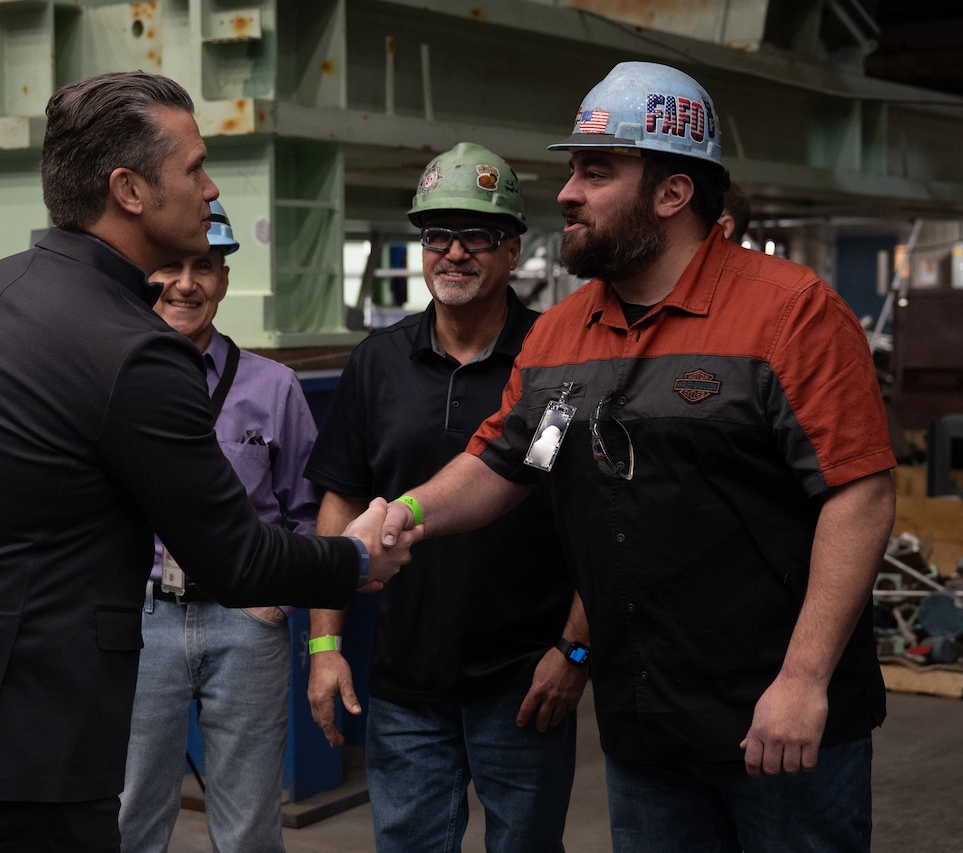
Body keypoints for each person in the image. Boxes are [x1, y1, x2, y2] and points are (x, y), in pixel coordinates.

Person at [0, 71, 419, 853]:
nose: (210, 188)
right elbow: (233, 556)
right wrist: (354, 559)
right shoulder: (135, 352)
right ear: (129, 189)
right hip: (34, 739)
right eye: (193, 168)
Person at [373, 62, 896, 852]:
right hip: (644, 725)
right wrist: (406, 514)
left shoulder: (790, 314)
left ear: (672, 192)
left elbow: (858, 493)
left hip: (777, 722)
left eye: (595, 171)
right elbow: (510, 463)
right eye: (573, 170)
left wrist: (803, 679)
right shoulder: (561, 337)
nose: (566, 193)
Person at [304, 142, 588, 853]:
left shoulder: (556, 363)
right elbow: (340, 506)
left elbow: (592, 516)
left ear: (514, 248)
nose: (454, 253)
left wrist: (575, 652)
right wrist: (324, 643)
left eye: (478, 235)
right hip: (405, 683)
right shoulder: (378, 363)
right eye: (436, 235)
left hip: (524, 679)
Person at [119, 200, 319, 852]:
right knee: (129, 811)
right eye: (169, 265)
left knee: (249, 823)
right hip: (139, 621)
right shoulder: (112, 383)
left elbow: (306, 513)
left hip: (245, 622)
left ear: (224, 279)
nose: (185, 283)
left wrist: (278, 600)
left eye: (203, 266)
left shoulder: (275, 389)